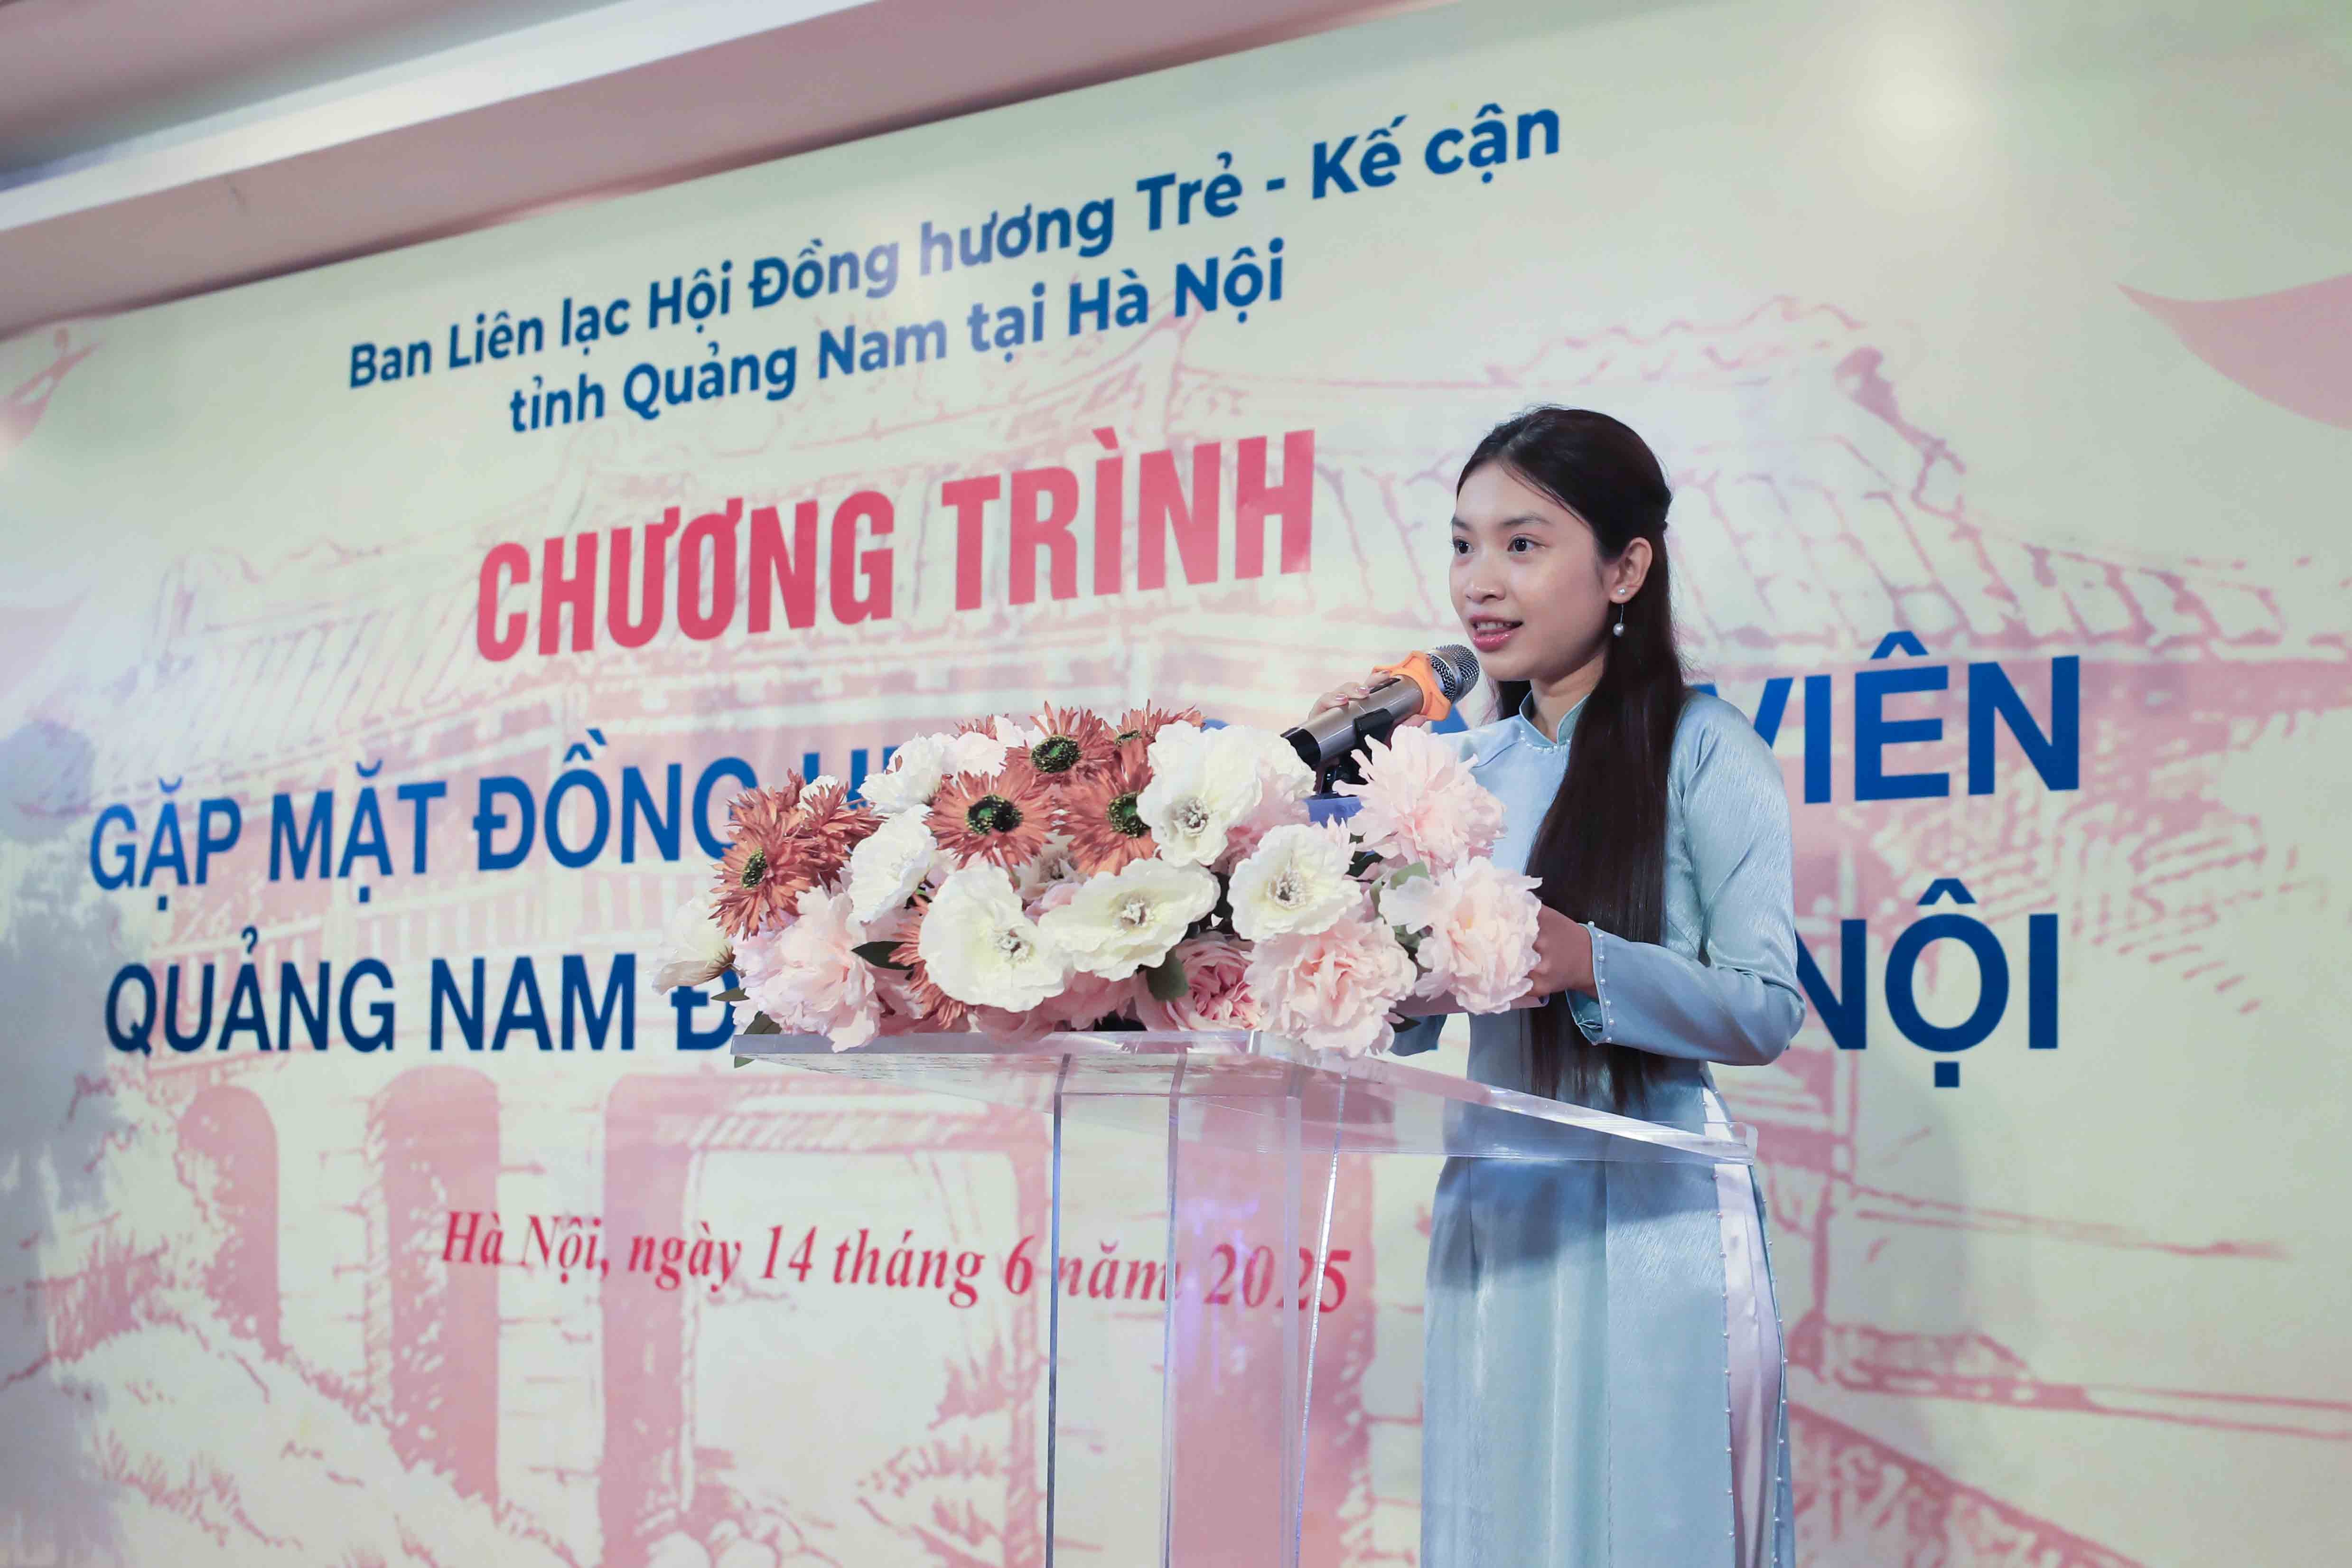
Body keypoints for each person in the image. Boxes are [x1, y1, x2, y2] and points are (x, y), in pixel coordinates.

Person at [1310, 406, 1802, 1567]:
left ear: (1626, 568)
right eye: (1464, 544)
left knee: (1646, 1524)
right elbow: (1401, 1001)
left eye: (1523, 544)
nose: (1481, 581)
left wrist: (1591, 961)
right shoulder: (1447, 774)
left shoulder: (1703, 747)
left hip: (1654, 1217)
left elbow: (1766, 1003)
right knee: (1505, 1517)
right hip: (1500, 1204)